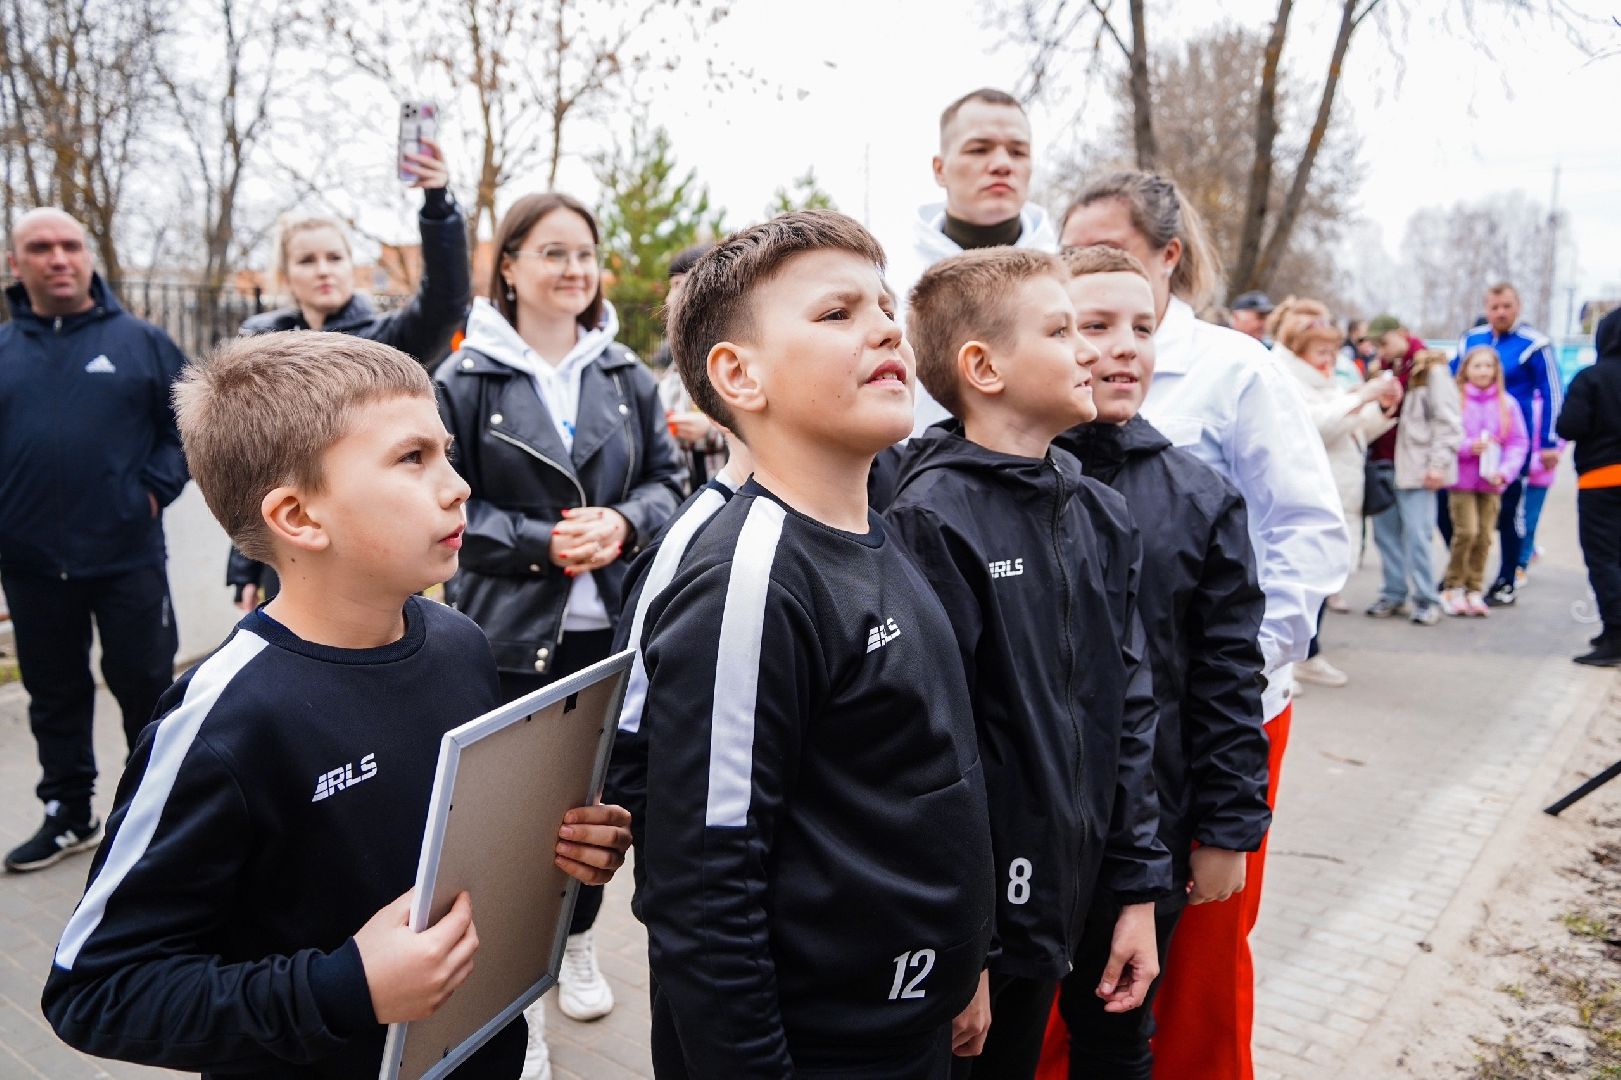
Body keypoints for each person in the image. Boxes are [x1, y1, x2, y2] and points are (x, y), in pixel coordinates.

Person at [41, 332, 632, 1079]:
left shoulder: (460, 642)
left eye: (444, 452)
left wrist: (560, 848)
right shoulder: (225, 721)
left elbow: (449, 847)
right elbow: (96, 991)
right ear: (299, 518)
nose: (458, 486)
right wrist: (344, 987)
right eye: (412, 458)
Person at [635, 211, 994, 1077]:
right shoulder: (749, 579)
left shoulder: (890, 539)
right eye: (836, 314)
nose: (883, 327)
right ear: (739, 376)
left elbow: (933, 779)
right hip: (817, 1050)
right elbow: (704, 886)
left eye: (883, 306)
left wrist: (962, 962)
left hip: (915, 1023)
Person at [1059, 171, 1349, 1080]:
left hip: (1216, 715)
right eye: (1070, 256)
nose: (1116, 344)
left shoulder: (1235, 369)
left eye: (1113, 255)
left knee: (1195, 962)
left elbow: (1305, 530)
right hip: (1080, 735)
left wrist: (1239, 657)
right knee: (1088, 964)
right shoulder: (1052, 372)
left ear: (1168, 258)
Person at [884, 248, 1168, 1078]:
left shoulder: (1100, 514)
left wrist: (1134, 893)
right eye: (1061, 329)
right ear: (982, 367)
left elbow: (1129, 715)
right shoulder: (929, 521)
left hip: (1069, 904)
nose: (1090, 351)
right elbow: (932, 757)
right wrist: (959, 949)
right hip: (977, 932)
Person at [433, 192, 682, 1047]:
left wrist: (623, 525)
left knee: (596, 811)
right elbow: (443, 504)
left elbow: (667, 483)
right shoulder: (464, 378)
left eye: (585, 253)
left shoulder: (624, 375)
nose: (574, 268)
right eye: (552, 252)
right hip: (505, 635)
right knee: (508, 821)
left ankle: (575, 944)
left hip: (608, 634)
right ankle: (512, 991)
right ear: (507, 266)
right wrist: (546, 542)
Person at [1047, 245, 1271, 1080]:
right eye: (1092, 326)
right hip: (1018, 834)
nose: (1124, 347)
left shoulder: (1199, 495)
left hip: (1146, 829)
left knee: (1115, 1032)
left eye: (1142, 327)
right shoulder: (987, 479)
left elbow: (1225, 675)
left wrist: (1227, 827)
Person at [0, 208, 188, 872]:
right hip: (28, 564)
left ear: (88, 256)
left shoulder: (141, 342)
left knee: (144, 685)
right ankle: (68, 814)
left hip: (126, 557)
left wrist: (152, 491)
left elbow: (188, 426)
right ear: (14, 263)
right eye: (40, 247)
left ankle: (159, 816)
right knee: (53, 691)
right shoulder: (5, 352)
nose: (58, 258)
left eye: (70, 245)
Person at [227, 141, 472, 610]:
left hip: (375, 551)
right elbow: (252, 469)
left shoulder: (384, 340)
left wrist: (438, 204)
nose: (324, 270)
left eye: (335, 258)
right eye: (307, 260)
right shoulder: (259, 352)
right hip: (293, 553)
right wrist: (245, 566)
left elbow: (444, 300)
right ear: (285, 273)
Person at [883, 87, 1058, 435]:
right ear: (940, 169)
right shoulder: (890, 282)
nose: (1002, 165)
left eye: (1018, 152)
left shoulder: (1070, 280)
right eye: (979, 150)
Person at [1270, 297, 1398, 684]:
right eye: (1322, 350)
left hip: (1341, 487)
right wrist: (1360, 397)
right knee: (1296, 582)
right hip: (1306, 491)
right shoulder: (1283, 377)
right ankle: (1282, 665)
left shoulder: (1328, 378)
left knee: (1323, 577)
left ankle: (1308, 652)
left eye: (1331, 349)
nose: (1330, 357)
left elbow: (1351, 432)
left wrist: (1382, 410)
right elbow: (1315, 426)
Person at [1454, 283, 1562, 607]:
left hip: (1513, 446)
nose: (1500, 312)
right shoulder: (1471, 340)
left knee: (1509, 517)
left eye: (1506, 306)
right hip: (1468, 451)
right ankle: (1459, 576)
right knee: (1458, 521)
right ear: (1486, 308)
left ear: (1518, 306)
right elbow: (1450, 381)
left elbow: (1554, 391)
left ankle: (1507, 578)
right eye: (1494, 306)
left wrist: (1548, 442)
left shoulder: (1535, 345)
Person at [1441, 346, 1529, 618]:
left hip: (1492, 481)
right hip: (1461, 480)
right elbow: (1446, 435)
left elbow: (1518, 442)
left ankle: (1474, 588)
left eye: (1488, 366)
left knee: (1484, 536)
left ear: (1496, 371)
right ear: (1465, 369)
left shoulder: (1507, 404)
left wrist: (1505, 470)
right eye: (1476, 366)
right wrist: (1468, 447)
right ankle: (1452, 586)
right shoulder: (1455, 400)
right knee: (1466, 531)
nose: (1482, 371)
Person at [1554, 307, 1621, 665]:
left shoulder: (1591, 378)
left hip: (1603, 478)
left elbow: (1569, 426)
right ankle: (1612, 631)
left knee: (1604, 558)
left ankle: (1615, 635)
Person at [653, 243, 728, 492]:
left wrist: (710, 432)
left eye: (677, 285)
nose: (667, 299)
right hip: (685, 496)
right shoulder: (673, 369)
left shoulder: (733, 361)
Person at [1518, 393, 1563, 585]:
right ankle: (1528, 549)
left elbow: (1559, 440)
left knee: (1529, 519)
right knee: (1512, 519)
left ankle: (1521, 563)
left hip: (1540, 475)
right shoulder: (1518, 395)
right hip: (1515, 471)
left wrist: (1534, 462)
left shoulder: (1553, 402)